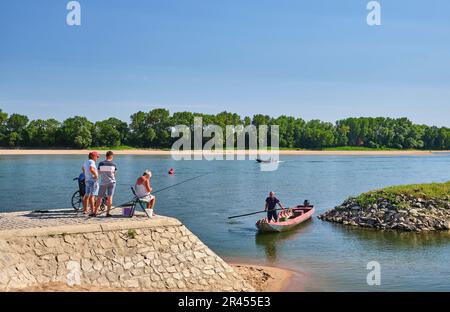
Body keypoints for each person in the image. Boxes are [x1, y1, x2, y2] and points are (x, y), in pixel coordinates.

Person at [94, 151, 117, 217]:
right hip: (112, 183)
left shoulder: (101, 163)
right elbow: (114, 174)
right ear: (111, 156)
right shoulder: (113, 164)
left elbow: (98, 173)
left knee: (99, 198)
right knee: (110, 197)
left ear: (106, 156)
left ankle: (95, 212)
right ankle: (108, 213)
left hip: (103, 183)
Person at [82, 151, 100, 216]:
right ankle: (93, 211)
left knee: (86, 195)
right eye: (96, 156)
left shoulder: (86, 162)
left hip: (87, 180)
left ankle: (85, 210)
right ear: (93, 156)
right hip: (93, 181)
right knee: (92, 196)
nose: (97, 158)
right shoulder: (92, 162)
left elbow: (83, 168)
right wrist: (96, 175)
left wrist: (86, 175)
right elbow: (91, 169)